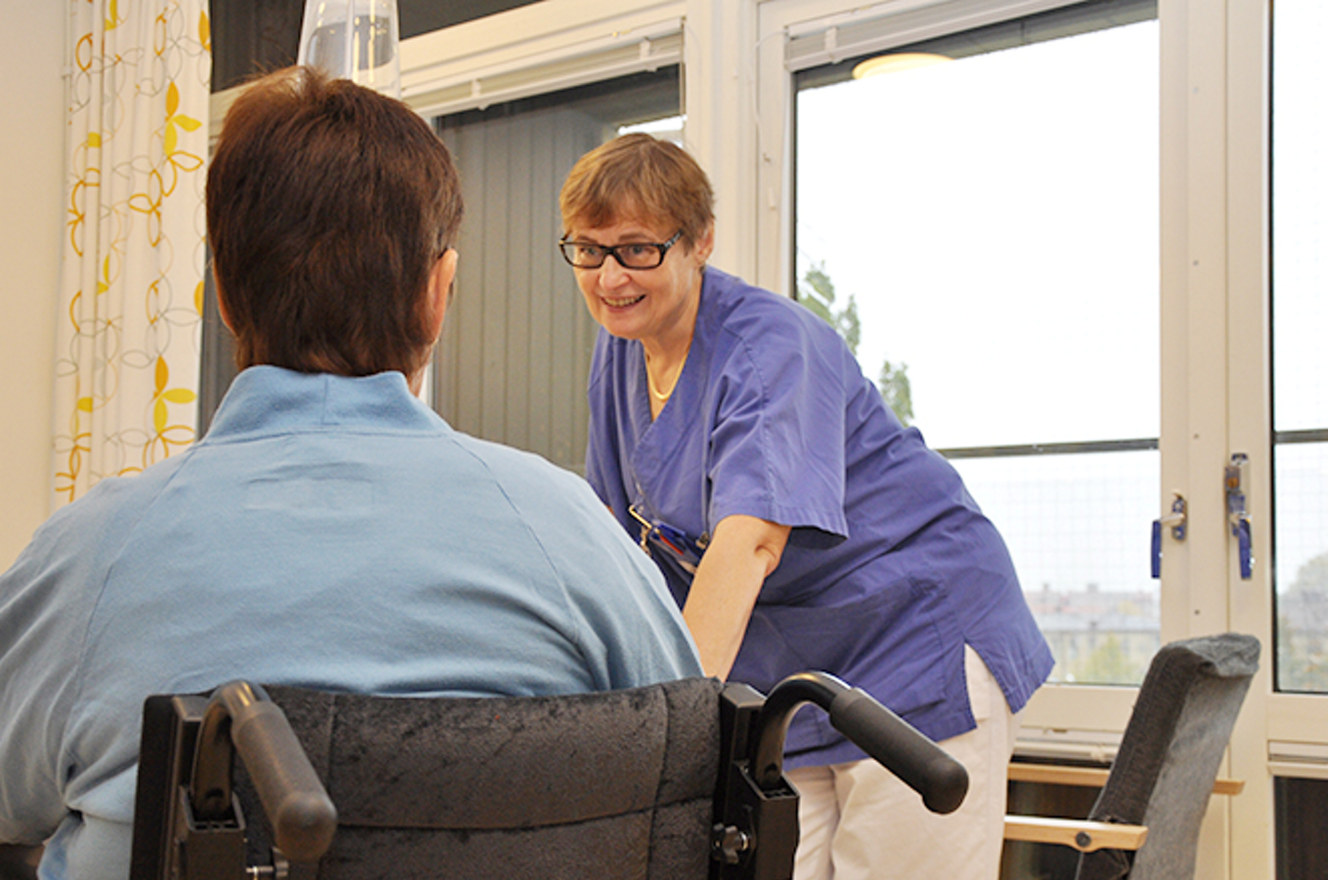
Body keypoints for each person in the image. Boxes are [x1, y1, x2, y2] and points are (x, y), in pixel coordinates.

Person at [0, 69, 702, 880]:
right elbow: (691, 774)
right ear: (439, 293)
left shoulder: (91, 557)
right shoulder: (571, 534)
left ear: (222, 293)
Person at [558, 132, 1054, 880]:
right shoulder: (621, 349)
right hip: (793, 666)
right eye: (589, 251)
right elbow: (621, 550)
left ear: (700, 241)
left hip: (910, 637)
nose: (609, 277)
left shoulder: (769, 348)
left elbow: (749, 542)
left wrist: (666, 724)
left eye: (637, 249)